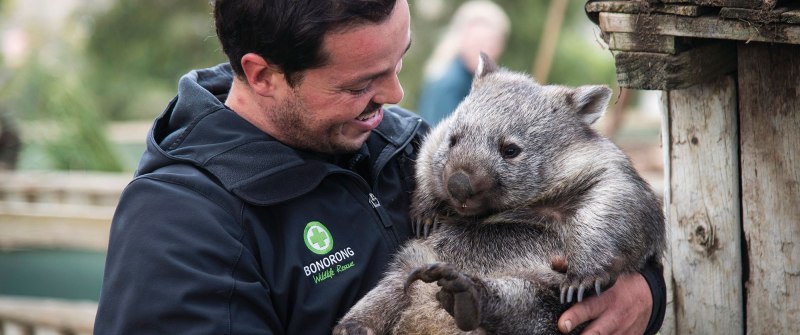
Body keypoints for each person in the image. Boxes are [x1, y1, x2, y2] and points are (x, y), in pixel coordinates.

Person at [93, 0, 665, 334]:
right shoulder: (181, 224)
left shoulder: (403, 146)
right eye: (359, 84)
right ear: (263, 75)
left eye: (399, 63)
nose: (394, 96)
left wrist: (643, 294)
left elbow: (605, 227)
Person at [416, 0, 510, 126]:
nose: (485, 51)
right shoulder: (449, 84)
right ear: (462, 40)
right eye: (477, 42)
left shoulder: (479, 78)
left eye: (491, 43)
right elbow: (440, 131)